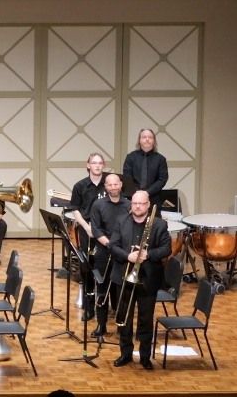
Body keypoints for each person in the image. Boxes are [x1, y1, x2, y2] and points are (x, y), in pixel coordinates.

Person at [110, 190, 170, 370]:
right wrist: (128, 256)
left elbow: (166, 248)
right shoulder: (121, 221)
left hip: (148, 279)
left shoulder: (159, 225)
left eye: (141, 203)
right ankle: (125, 354)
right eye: (134, 203)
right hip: (124, 276)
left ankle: (145, 357)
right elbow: (113, 246)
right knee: (125, 319)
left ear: (148, 205)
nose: (137, 206)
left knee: (146, 319)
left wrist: (148, 254)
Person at [88, 173, 131, 339]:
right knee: (102, 290)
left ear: (121, 185)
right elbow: (96, 229)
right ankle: (102, 325)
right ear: (105, 187)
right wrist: (109, 244)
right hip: (103, 253)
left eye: (116, 184)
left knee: (121, 292)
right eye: (110, 185)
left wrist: (118, 248)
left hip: (121, 254)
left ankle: (121, 326)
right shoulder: (98, 205)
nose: (113, 187)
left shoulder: (129, 204)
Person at [69, 153, 107, 321]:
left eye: (100, 163)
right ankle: (89, 308)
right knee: (87, 270)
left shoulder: (109, 185)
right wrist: (86, 227)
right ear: (88, 165)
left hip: (105, 232)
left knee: (104, 269)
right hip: (87, 230)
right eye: (94, 163)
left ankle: (103, 308)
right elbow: (75, 209)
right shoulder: (80, 186)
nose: (97, 166)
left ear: (103, 166)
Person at [122, 128, 169, 211]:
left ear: (154, 141)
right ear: (139, 140)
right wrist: (137, 193)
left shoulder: (161, 159)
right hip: (133, 199)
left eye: (150, 137)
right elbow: (127, 178)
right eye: (144, 137)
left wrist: (147, 193)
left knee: (154, 224)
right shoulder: (130, 157)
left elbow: (162, 179)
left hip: (153, 199)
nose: (147, 139)